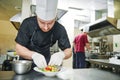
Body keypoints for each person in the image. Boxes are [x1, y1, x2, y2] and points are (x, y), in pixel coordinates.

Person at [15, 0, 72, 69]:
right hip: (26, 64)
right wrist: (33, 55)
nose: (46, 27)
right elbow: (18, 48)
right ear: (37, 17)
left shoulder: (60, 29)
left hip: (46, 63)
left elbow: (69, 51)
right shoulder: (27, 24)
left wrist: (62, 55)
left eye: (50, 23)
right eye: (42, 22)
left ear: (55, 18)